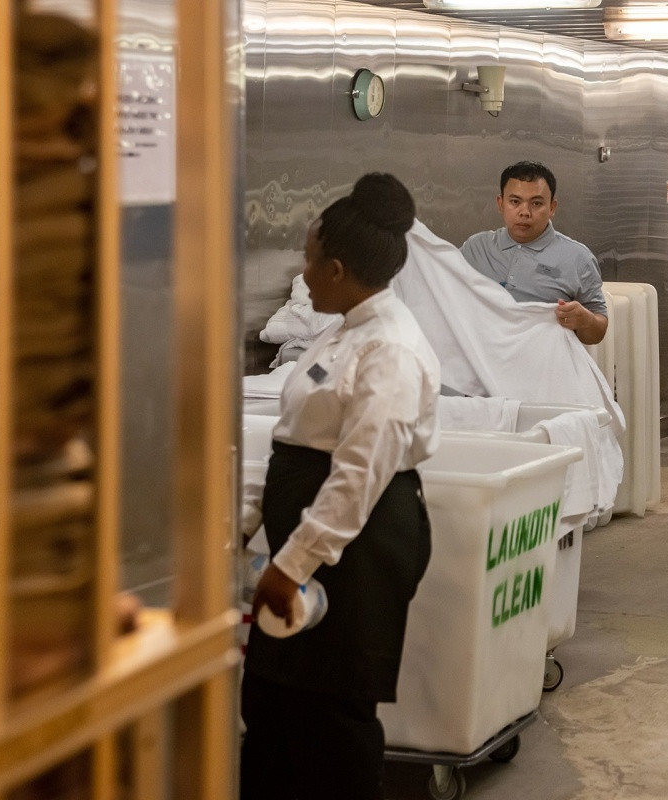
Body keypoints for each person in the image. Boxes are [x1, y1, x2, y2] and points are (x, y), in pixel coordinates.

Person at [239, 173, 440, 800]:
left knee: (331, 716)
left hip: (357, 548)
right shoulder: (340, 330)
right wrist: (245, 525)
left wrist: (296, 562)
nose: (302, 271)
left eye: (307, 259)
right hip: (311, 535)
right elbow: (295, 442)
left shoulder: (391, 348)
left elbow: (361, 471)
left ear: (335, 268)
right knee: (273, 702)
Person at [460, 160, 608, 344]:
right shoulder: (475, 248)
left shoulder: (578, 258)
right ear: (500, 204)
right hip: (480, 361)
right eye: (515, 202)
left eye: (536, 203)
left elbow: (598, 331)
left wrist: (586, 320)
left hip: (543, 365)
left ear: (552, 207)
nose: (525, 212)